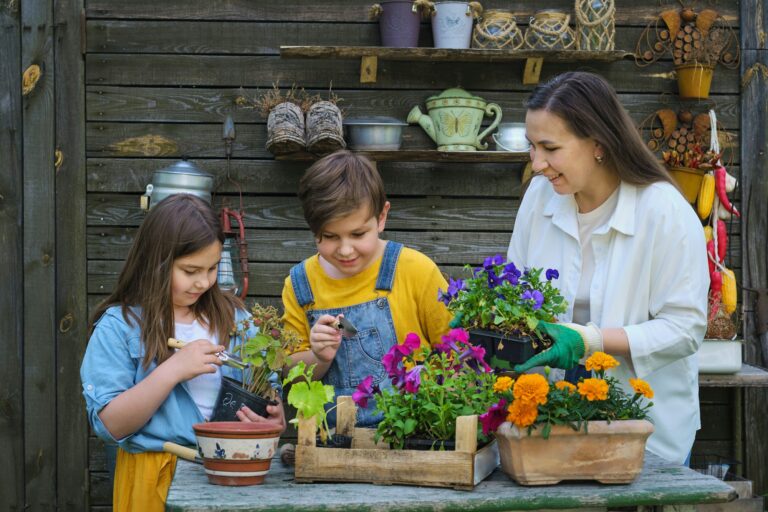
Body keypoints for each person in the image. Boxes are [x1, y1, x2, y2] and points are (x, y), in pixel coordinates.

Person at [507, 71, 709, 465]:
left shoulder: (664, 211)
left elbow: (685, 330)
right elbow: (517, 291)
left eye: (550, 147)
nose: (537, 163)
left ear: (598, 143)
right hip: (554, 422)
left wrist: (589, 341)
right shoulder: (539, 197)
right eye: (531, 147)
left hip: (646, 434)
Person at [80, 194, 286, 511]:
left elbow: (266, 386)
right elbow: (111, 426)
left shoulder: (235, 319)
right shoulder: (120, 326)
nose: (203, 282)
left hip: (233, 473)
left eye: (213, 268)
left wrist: (272, 416)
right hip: (155, 475)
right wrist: (173, 370)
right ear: (156, 263)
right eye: (190, 270)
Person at [281, 151, 453, 427]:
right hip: (333, 446)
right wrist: (318, 356)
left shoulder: (414, 270)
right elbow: (293, 375)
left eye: (358, 234)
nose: (346, 249)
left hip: (414, 439)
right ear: (314, 231)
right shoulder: (301, 284)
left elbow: (455, 351)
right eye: (330, 237)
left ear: (381, 217)